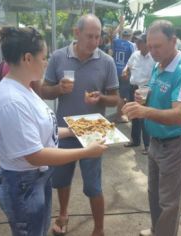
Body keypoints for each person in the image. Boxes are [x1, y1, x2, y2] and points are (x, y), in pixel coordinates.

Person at [0, 26, 108, 236]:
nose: (46, 62)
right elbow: (35, 154)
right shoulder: (12, 102)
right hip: (23, 184)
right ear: (27, 58)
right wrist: (86, 151)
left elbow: (41, 132)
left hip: (35, 180)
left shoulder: (25, 88)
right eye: (43, 57)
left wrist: (73, 131)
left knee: (38, 230)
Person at [40, 14, 119, 236]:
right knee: (61, 179)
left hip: (93, 132)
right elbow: (44, 90)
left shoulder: (106, 61)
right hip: (64, 131)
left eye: (98, 37)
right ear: (77, 33)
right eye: (89, 36)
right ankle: (63, 214)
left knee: (93, 185)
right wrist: (58, 90)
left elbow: (116, 99)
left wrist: (101, 98)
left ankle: (99, 228)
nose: (94, 42)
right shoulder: (58, 57)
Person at [122, 20, 181, 236]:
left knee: (169, 202)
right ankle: (158, 230)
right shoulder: (159, 65)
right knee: (154, 195)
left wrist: (144, 112)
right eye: (150, 45)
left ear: (173, 41)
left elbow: (178, 114)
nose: (152, 51)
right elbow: (157, 95)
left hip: (174, 145)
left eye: (157, 46)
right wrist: (144, 97)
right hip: (156, 141)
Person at [122, 33, 155, 154]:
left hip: (145, 89)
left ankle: (148, 145)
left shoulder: (153, 57)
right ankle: (135, 140)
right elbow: (128, 66)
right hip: (133, 88)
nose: (137, 43)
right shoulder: (135, 54)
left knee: (143, 117)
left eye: (140, 42)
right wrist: (125, 71)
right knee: (133, 115)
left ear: (147, 43)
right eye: (136, 41)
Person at [112, 27, 135, 123]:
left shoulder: (116, 42)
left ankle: (118, 113)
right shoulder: (131, 45)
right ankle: (119, 116)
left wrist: (119, 26)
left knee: (118, 94)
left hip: (114, 70)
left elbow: (113, 35)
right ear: (130, 36)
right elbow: (133, 60)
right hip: (124, 73)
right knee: (122, 95)